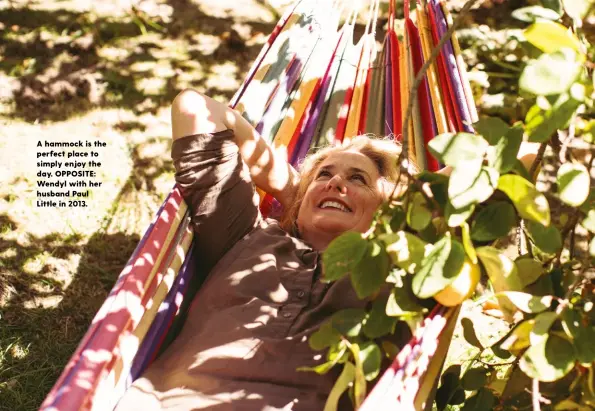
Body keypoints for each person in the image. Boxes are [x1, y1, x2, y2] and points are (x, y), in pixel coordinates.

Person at [115, 89, 538, 411]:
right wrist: (294, 187)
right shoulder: (244, 234)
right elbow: (195, 108)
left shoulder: (402, 267)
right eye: (326, 175)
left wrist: (410, 206)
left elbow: (512, 154)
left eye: (358, 179)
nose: (336, 183)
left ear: (393, 209)